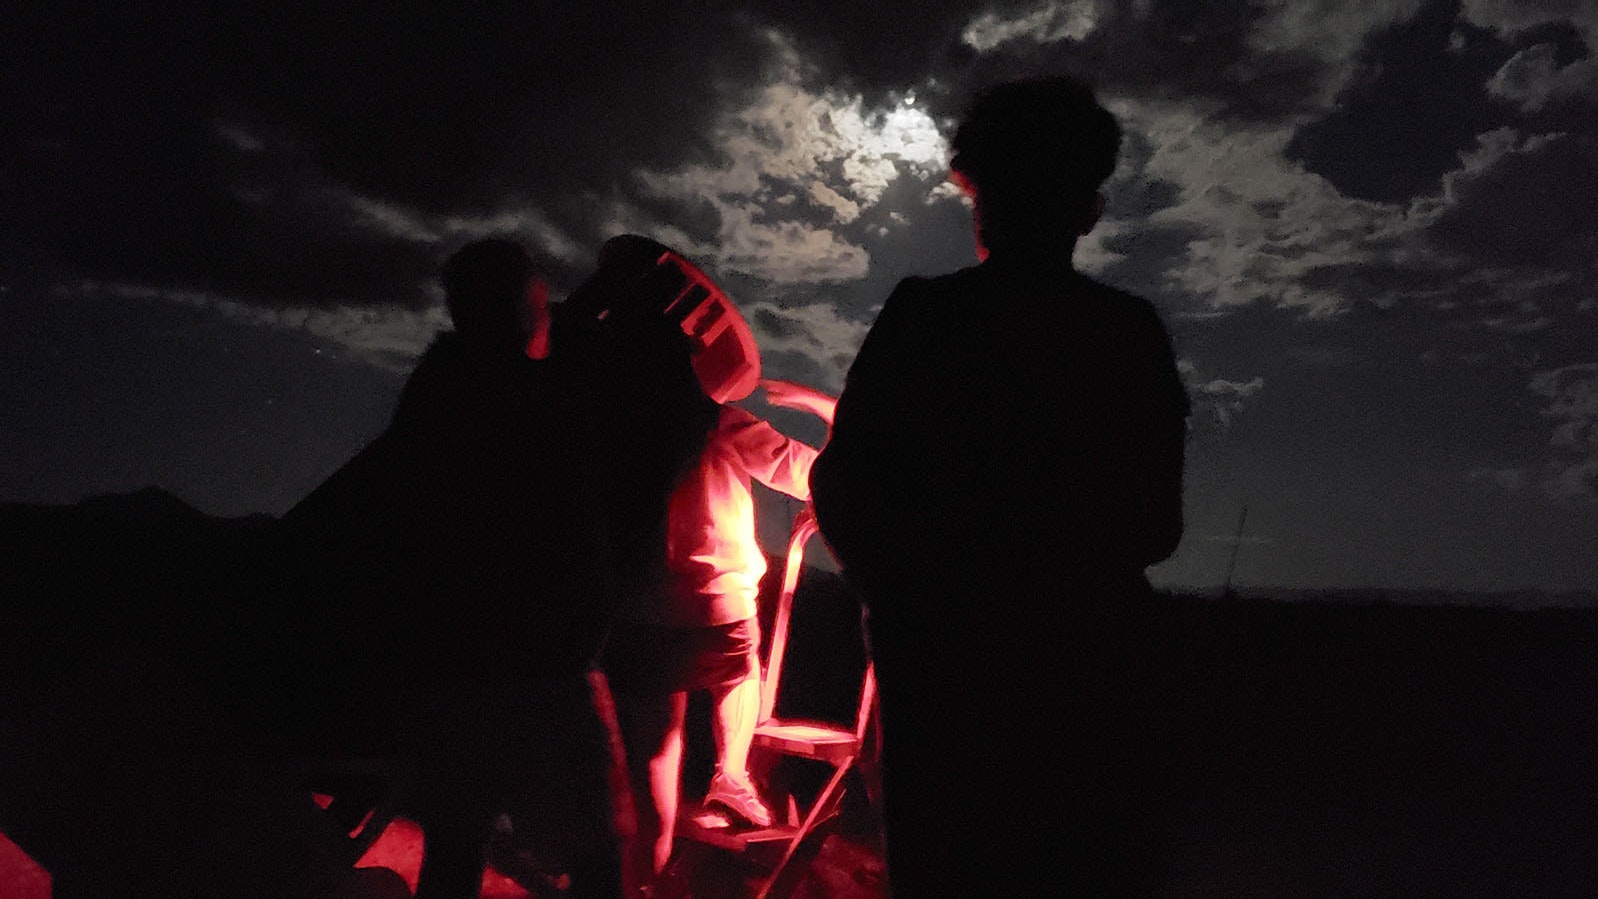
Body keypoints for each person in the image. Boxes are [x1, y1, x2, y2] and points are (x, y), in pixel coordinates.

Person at [809, 76, 1190, 896]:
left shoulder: (924, 318)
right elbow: (1158, 525)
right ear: (1087, 209)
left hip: (942, 686)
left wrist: (898, 600)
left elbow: (841, 479)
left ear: (980, 199)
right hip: (1088, 681)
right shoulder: (1126, 335)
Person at [282, 237, 711, 899]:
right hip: (547, 672)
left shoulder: (444, 392)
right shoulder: (554, 406)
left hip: (453, 671)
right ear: (529, 308)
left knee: (455, 850)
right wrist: (651, 333)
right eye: (541, 296)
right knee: (597, 859)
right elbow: (660, 445)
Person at [585, 238, 821, 897]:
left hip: (636, 615)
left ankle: (643, 876)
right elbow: (811, 474)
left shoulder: (606, 431)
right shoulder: (721, 423)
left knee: (655, 756)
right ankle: (732, 769)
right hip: (715, 613)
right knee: (741, 668)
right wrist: (834, 418)